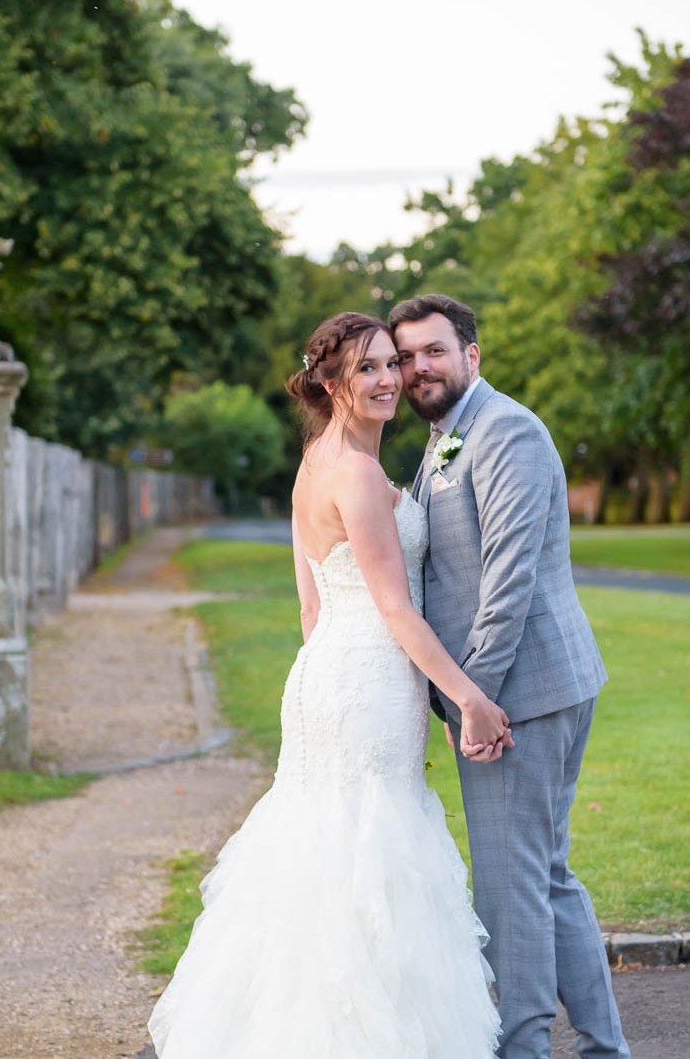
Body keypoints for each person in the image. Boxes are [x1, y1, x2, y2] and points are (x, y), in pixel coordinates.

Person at [148, 311, 510, 1058]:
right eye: (369, 369)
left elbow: (312, 607)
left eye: (391, 364)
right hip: (367, 678)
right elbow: (394, 609)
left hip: (327, 675)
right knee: (371, 855)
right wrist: (468, 698)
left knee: (322, 849)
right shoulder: (356, 473)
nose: (389, 380)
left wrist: (348, 684)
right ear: (330, 383)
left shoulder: (314, 462)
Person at [390, 294, 631, 1059]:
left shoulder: (508, 432)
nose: (418, 368)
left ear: (472, 354)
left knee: (511, 886)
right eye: (406, 357)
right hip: (519, 690)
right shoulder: (445, 439)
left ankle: (522, 1048)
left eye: (433, 351)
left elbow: (509, 579)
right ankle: (604, 1047)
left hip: (520, 693)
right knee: (546, 876)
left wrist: (475, 701)